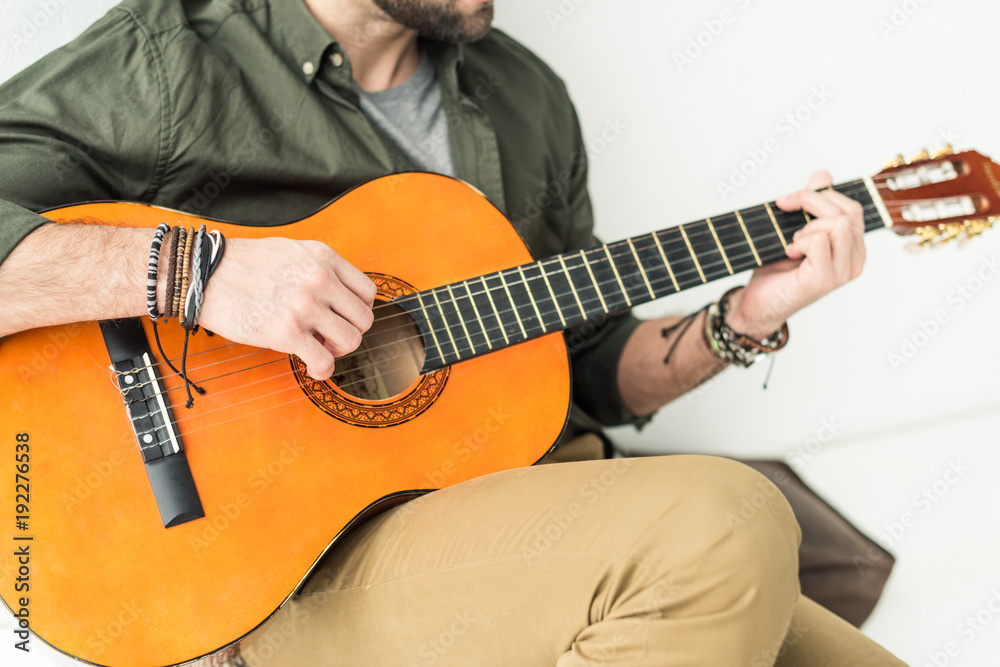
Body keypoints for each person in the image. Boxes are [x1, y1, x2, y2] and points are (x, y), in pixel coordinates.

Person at [0, 0, 905, 664]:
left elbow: (588, 367)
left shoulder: (525, 97)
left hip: (539, 510)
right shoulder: (167, 65)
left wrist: (742, 319)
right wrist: (197, 272)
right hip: (274, 572)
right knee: (723, 520)